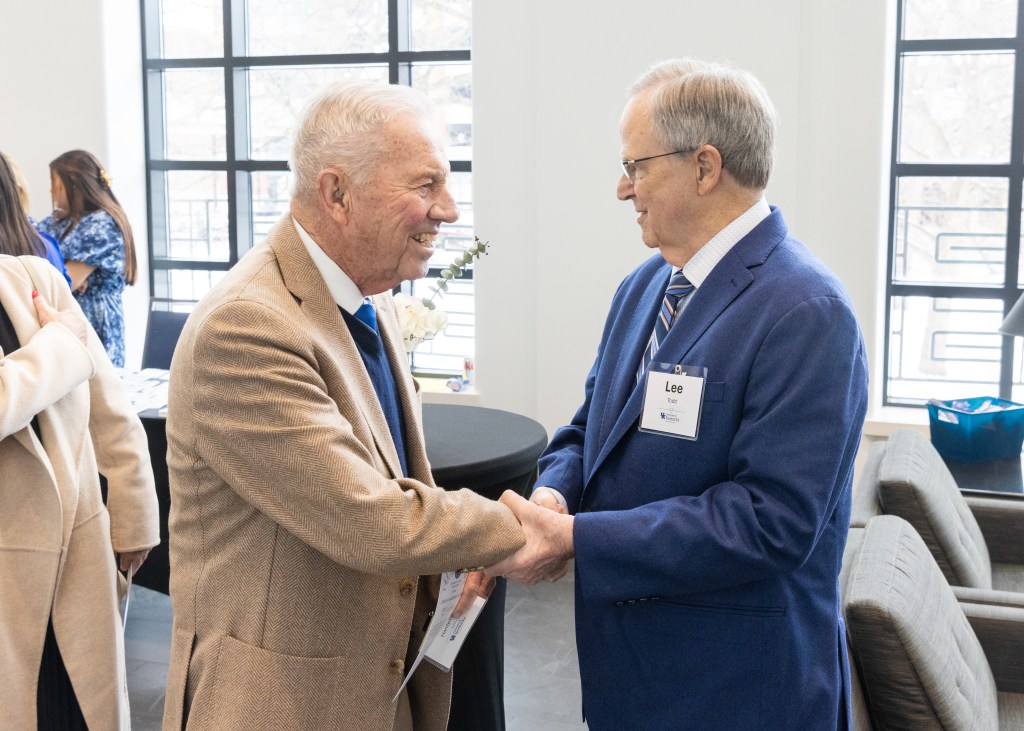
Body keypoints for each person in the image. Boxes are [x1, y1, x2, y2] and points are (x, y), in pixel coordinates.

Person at [487, 58, 869, 730]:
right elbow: (590, 430)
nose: (622, 188)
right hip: (631, 671)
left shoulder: (807, 310)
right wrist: (554, 496)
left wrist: (577, 538)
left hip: (738, 688)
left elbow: (770, 519)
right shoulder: (644, 286)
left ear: (705, 166)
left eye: (636, 166)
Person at [162, 80, 525, 731]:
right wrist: (523, 529)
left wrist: (451, 560)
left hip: (371, 690)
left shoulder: (367, 295)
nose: (448, 209)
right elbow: (369, 519)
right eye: (425, 184)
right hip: (281, 706)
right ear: (337, 193)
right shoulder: (245, 325)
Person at [0, 254, 159, 730]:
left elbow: (108, 407)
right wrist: (61, 345)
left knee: (81, 708)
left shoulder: (31, 276)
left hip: (76, 555)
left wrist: (135, 513)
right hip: (8, 575)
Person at [37, 149, 137, 367]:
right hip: (69, 320)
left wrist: (58, 271)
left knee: (95, 382)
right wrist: (60, 269)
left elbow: (65, 282)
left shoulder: (102, 224)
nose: (51, 190)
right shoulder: (62, 220)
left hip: (95, 324)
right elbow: (32, 241)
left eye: (54, 182)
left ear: (73, 184)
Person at [0, 152, 71, 285]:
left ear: (19, 191)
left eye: (54, 182)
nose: (51, 191)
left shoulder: (42, 245)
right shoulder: (44, 245)